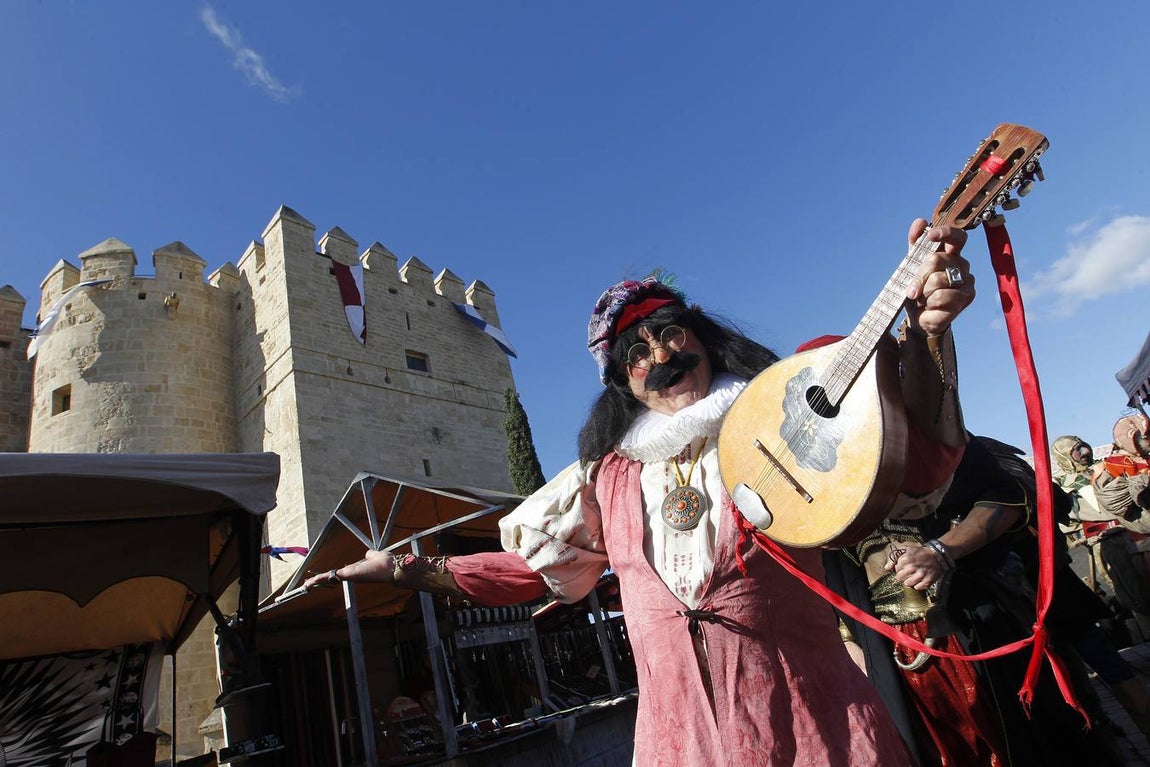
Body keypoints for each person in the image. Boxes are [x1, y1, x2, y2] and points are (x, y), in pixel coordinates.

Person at [306, 219, 973, 765]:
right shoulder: (609, 476)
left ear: (705, 340)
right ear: (623, 384)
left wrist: (930, 335)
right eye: (635, 355)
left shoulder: (784, 419)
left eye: (669, 334)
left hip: (816, 730)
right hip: (677, 745)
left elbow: (919, 470)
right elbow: (532, 571)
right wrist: (403, 568)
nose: (658, 358)